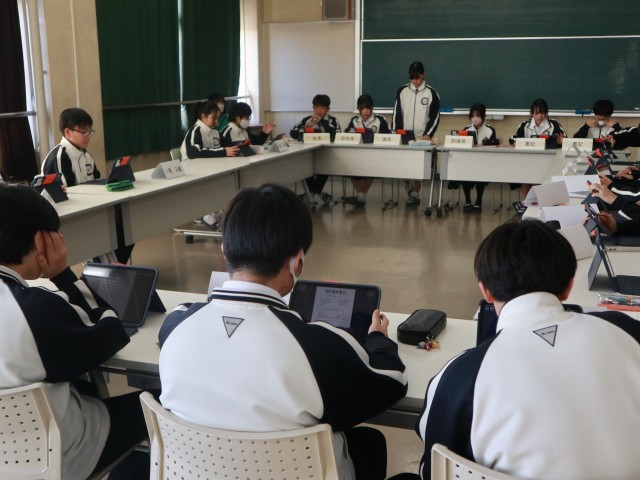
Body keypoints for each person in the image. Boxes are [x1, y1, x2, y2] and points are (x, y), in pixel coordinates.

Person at [158, 183, 408, 480]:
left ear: (224, 249)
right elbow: (392, 381)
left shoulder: (176, 325)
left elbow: (196, 327)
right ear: (297, 262)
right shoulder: (317, 347)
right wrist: (377, 338)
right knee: (368, 443)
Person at [415, 219, 640, 479]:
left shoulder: (462, 375)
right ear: (569, 286)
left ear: (485, 291)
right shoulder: (628, 331)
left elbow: (434, 467)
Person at [0, 183, 152, 480]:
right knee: (157, 399)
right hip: (60, 459)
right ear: (42, 241)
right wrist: (62, 275)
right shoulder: (35, 310)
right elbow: (111, 331)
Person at [392, 61, 440, 206]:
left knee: (419, 167)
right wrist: (396, 131)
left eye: (417, 78)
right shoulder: (402, 91)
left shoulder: (431, 93)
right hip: (405, 136)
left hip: (421, 138)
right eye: (412, 78)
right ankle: (408, 186)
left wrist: (427, 134)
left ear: (423, 75)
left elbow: (435, 117)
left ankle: (415, 193)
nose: (415, 81)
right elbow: (397, 113)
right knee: (404, 166)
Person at [509, 98, 566, 200]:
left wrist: (560, 141)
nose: (540, 116)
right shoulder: (524, 125)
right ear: (532, 113)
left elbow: (565, 140)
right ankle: (527, 201)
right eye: (537, 113)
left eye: (542, 113)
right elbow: (513, 139)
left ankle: (542, 200)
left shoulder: (554, 124)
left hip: (549, 161)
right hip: (528, 160)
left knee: (542, 178)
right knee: (526, 175)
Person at [290, 94, 342, 205]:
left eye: (322, 108)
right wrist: (305, 128)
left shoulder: (333, 120)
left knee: (325, 168)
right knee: (305, 168)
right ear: (313, 108)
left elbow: (337, 134)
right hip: (309, 153)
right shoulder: (307, 119)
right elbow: (293, 132)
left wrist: (322, 121)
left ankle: (310, 194)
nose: (319, 110)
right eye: (316, 107)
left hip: (327, 153)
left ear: (328, 109)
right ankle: (318, 193)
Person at [343, 94, 390, 207]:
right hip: (358, 154)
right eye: (362, 108)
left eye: (368, 108)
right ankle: (361, 196)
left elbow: (388, 136)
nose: (365, 111)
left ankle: (361, 197)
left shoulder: (380, 119)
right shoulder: (354, 120)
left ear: (372, 108)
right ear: (358, 109)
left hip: (376, 155)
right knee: (350, 168)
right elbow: (348, 133)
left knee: (371, 168)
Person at [41, 107, 100, 186]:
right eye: (84, 131)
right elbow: (65, 190)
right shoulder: (59, 157)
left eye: (89, 131)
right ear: (68, 132)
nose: (88, 136)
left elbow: (97, 182)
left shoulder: (87, 156)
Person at [460, 103, 496, 212]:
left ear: (483, 116)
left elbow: (494, 147)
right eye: (473, 116)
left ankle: (478, 201)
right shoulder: (466, 129)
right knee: (464, 173)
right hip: (469, 162)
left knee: (481, 174)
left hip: (484, 163)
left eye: (478, 116)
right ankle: (467, 201)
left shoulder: (490, 130)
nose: (475, 119)